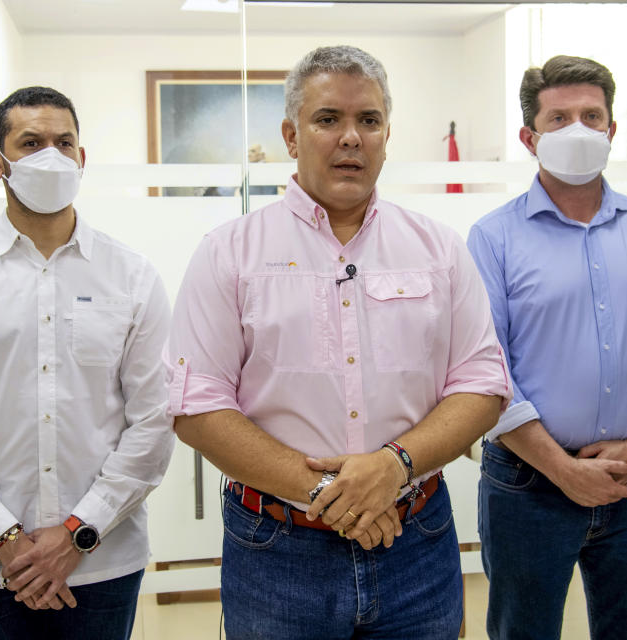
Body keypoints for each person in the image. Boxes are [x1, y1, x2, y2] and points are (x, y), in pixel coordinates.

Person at [165, 45, 512, 640]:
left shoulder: (437, 249)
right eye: (328, 119)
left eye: (368, 121)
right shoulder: (231, 253)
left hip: (416, 542)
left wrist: (392, 467)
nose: (351, 137)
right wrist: (333, 494)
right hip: (277, 548)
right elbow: (197, 406)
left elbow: (482, 384)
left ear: (385, 135)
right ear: (291, 135)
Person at [0, 86, 175, 640]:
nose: (51, 155)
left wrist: (77, 532)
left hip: (101, 563)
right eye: (31, 143)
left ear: (81, 159)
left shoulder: (133, 276)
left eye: (63, 142)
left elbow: (155, 420)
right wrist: (8, 541)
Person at [467, 55, 627, 640]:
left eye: (591, 115)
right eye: (559, 119)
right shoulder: (493, 237)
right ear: (530, 137)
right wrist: (562, 469)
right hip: (528, 485)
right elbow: (486, 368)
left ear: (611, 129)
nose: (578, 129)